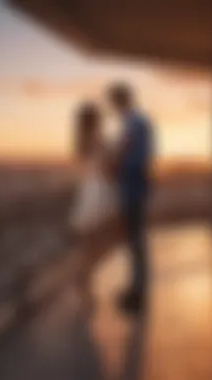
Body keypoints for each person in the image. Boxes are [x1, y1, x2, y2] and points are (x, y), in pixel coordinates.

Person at [69, 102, 123, 309]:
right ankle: (83, 282)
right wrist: (114, 152)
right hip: (97, 194)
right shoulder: (92, 140)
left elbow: (103, 161)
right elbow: (106, 163)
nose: (101, 120)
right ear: (93, 120)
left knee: (94, 244)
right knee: (96, 243)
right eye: (98, 118)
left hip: (94, 192)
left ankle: (83, 281)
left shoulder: (87, 140)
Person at [107, 82, 153, 313]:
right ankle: (136, 291)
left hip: (132, 191)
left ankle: (138, 295)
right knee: (135, 244)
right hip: (133, 190)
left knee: (135, 244)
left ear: (120, 100)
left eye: (113, 101)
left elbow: (137, 160)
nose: (112, 106)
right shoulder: (134, 123)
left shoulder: (134, 124)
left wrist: (116, 166)